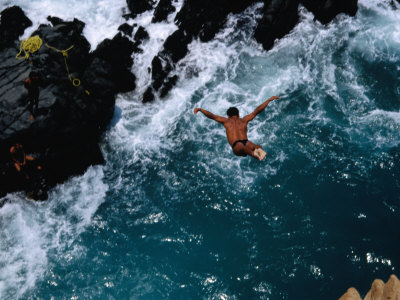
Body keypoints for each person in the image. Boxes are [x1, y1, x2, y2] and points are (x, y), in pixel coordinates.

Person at [194, 96, 280, 161]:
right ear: (238, 114)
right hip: (246, 142)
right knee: (253, 145)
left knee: (243, 147)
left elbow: (212, 115)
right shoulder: (244, 120)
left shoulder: (226, 121)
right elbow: (257, 111)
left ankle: (254, 154)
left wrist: (200, 109)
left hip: (237, 145)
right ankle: (258, 150)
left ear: (228, 115)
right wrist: (269, 100)